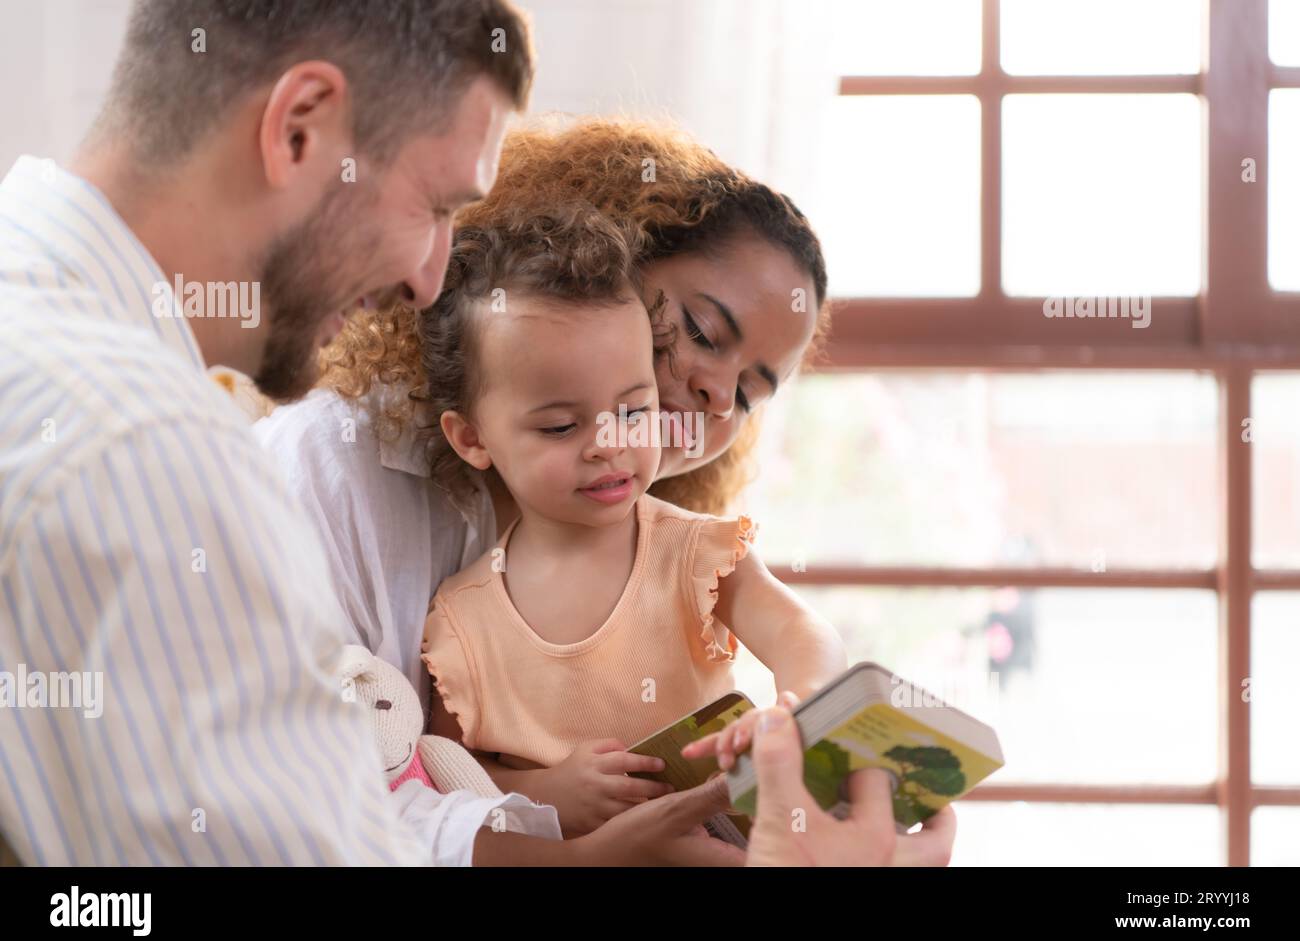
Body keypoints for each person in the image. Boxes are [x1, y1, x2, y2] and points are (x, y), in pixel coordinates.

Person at [0, 0, 953, 868]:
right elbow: (345, 833)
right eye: (438, 206)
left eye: (750, 392)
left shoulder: (93, 385)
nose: (430, 279)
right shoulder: (158, 448)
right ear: (300, 129)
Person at [410, 202, 848, 836]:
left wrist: (797, 708)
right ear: (472, 437)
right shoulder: (458, 622)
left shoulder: (692, 553)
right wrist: (545, 792)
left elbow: (803, 633)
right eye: (562, 425)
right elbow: (447, 774)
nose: (608, 442)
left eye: (637, 412)